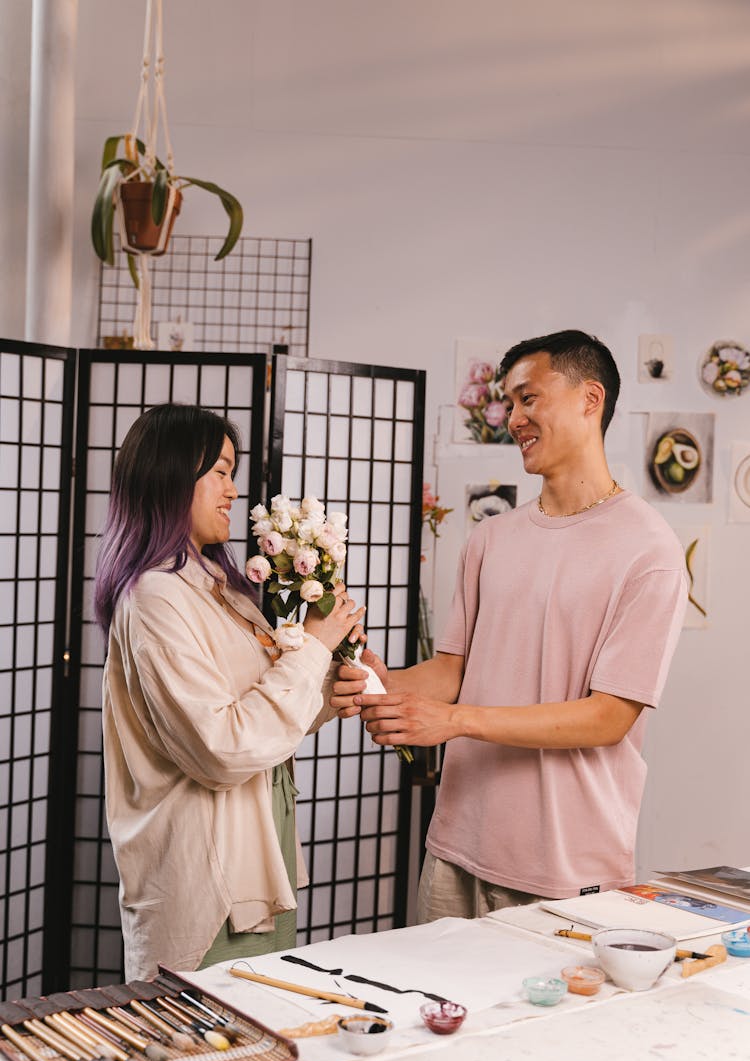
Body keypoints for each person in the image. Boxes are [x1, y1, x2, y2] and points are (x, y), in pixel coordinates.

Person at [333, 330, 687, 922]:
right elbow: (455, 670)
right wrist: (387, 684)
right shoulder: (491, 537)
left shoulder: (648, 550)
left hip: (568, 867)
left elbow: (609, 717)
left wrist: (452, 722)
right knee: (433, 1012)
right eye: (509, 403)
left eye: (529, 398)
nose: (513, 418)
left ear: (589, 399)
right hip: (456, 850)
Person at [94, 403, 364, 980]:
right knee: (212, 1048)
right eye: (219, 471)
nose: (233, 490)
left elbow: (257, 708)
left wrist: (330, 686)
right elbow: (221, 748)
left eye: (231, 472)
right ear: (171, 474)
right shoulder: (155, 598)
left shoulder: (222, 586)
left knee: (261, 1044)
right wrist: (313, 646)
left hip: (263, 855)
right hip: (209, 875)